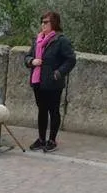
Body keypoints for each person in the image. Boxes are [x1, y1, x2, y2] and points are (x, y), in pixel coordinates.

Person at [25, 11, 76, 152]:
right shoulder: (38, 39)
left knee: (53, 111)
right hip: (38, 81)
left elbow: (71, 60)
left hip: (53, 82)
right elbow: (28, 56)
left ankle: (52, 140)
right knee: (42, 110)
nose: (43, 25)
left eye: (46, 22)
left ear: (54, 23)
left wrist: (58, 73)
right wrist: (31, 61)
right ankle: (41, 139)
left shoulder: (61, 40)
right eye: (42, 22)